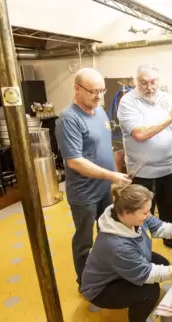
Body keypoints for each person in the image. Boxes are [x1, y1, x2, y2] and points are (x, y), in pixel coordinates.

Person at [80, 184, 172, 322]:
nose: (148, 215)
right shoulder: (117, 245)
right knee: (150, 292)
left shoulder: (128, 216)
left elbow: (159, 227)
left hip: (122, 268)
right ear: (126, 213)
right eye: (145, 213)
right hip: (103, 288)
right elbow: (147, 274)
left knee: (163, 263)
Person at [55, 68, 132, 289]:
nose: (98, 96)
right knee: (84, 241)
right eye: (92, 91)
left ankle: (104, 271)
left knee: (106, 231)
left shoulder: (99, 111)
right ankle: (85, 282)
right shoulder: (68, 119)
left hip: (104, 189)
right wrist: (112, 175)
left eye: (102, 90)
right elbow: (75, 161)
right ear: (77, 89)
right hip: (84, 194)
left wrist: (117, 166)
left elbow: (103, 146)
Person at [117, 64, 172, 250]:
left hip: (169, 168)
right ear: (137, 82)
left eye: (153, 82)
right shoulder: (128, 102)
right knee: (142, 214)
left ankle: (170, 238)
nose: (150, 87)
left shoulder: (166, 99)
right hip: (143, 172)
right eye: (144, 83)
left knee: (170, 207)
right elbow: (140, 134)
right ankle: (140, 247)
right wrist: (170, 117)